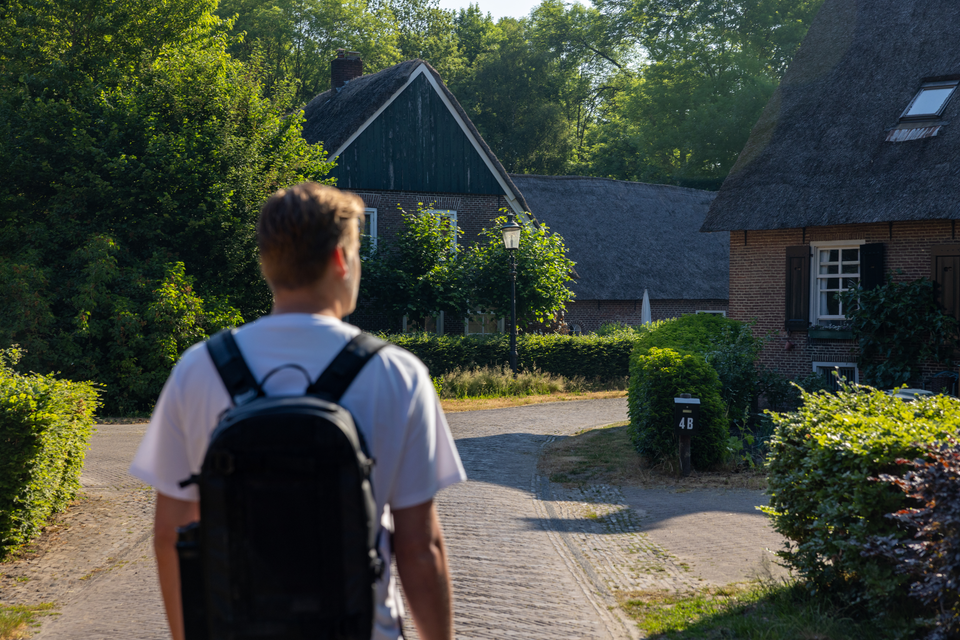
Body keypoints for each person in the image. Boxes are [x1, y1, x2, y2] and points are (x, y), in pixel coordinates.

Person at [129, 182, 466, 640]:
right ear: (341, 261)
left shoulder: (199, 368)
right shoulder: (397, 373)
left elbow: (172, 534)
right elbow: (419, 546)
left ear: (268, 262)